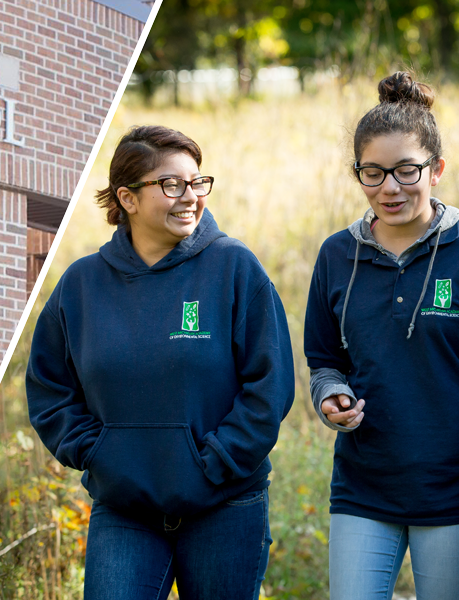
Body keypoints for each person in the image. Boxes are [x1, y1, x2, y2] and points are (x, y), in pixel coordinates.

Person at [26, 125, 295, 600]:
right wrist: (98, 453)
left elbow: (269, 385)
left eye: (197, 183)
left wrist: (215, 461)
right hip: (125, 509)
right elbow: (50, 387)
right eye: (172, 185)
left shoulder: (235, 268)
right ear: (128, 199)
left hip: (225, 503)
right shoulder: (81, 284)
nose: (189, 197)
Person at [304, 72, 459, 600]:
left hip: (450, 494)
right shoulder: (336, 255)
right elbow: (324, 360)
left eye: (405, 171)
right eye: (372, 173)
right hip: (362, 487)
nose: (389, 188)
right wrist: (330, 396)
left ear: (436, 170)